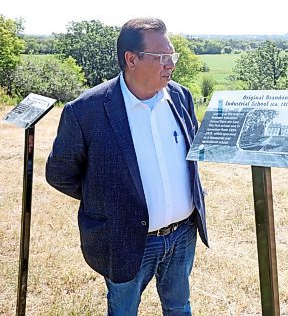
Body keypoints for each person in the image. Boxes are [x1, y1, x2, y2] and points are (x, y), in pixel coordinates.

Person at [45, 17, 208, 315]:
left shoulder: (181, 97)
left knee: (179, 307)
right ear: (131, 59)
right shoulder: (86, 111)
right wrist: (108, 202)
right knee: (123, 310)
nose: (171, 64)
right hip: (125, 239)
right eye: (162, 57)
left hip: (183, 235)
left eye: (173, 56)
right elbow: (60, 174)